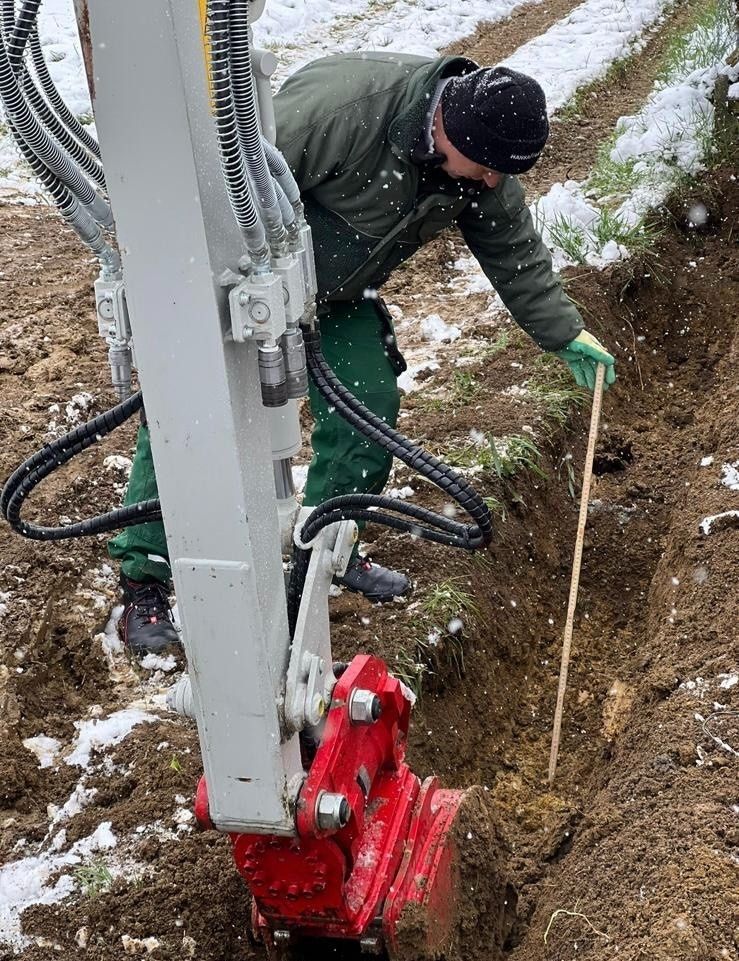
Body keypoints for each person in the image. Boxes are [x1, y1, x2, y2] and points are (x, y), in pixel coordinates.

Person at [111, 52, 616, 653]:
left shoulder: (481, 163)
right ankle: (143, 580)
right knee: (185, 414)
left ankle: (328, 545)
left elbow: (513, 251)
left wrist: (562, 332)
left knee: (368, 401)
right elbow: (227, 180)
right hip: (239, 283)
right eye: (484, 167)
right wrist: (193, 308)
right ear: (450, 129)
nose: (489, 182)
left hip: (335, 293)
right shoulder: (342, 111)